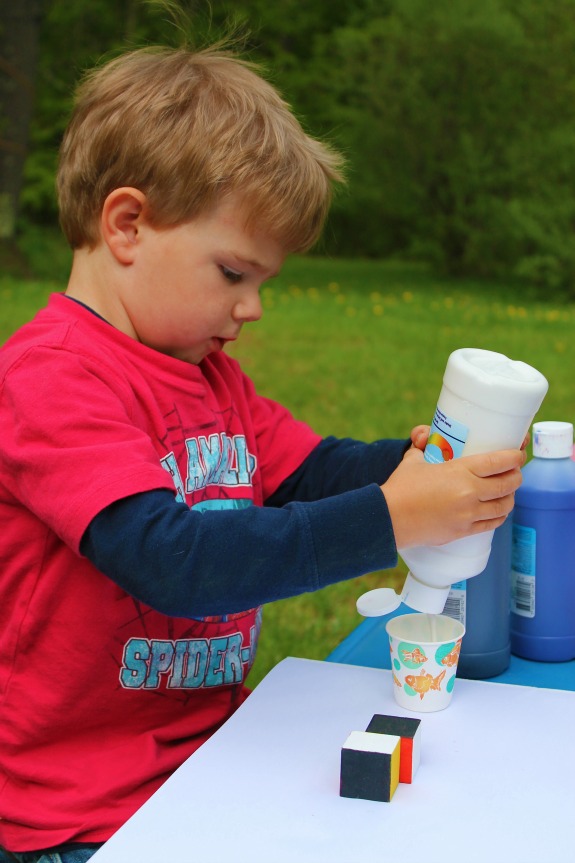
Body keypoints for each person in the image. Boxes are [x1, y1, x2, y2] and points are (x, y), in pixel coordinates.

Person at [0, 44, 524, 863]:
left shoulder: (208, 378)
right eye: (233, 272)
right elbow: (172, 559)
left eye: (263, 281)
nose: (250, 308)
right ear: (127, 224)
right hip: (77, 815)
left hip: (206, 760)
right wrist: (391, 516)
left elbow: (311, 471)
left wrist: (418, 469)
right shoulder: (51, 379)